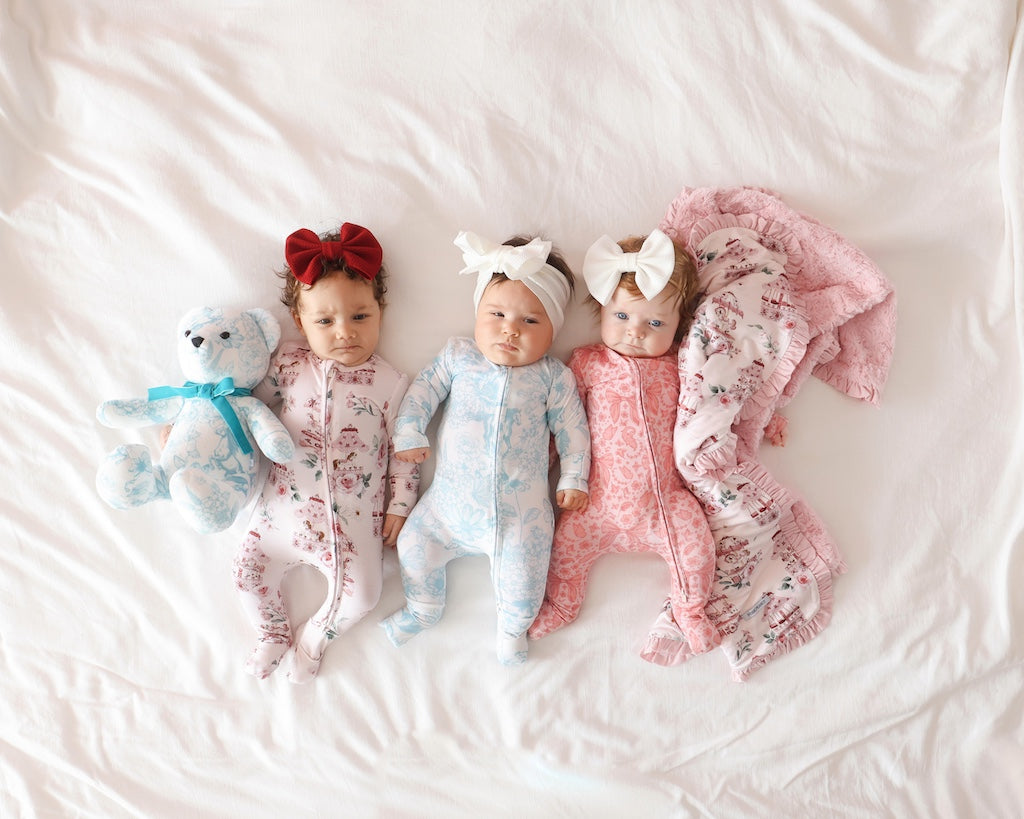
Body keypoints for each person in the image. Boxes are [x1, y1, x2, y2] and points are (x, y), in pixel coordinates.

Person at [379, 231, 590, 665]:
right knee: (414, 544)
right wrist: (410, 433)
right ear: (477, 314)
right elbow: (422, 393)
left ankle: (512, 631)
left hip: (521, 515)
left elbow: (573, 428)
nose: (510, 329)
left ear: (553, 332)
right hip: (446, 509)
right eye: (497, 314)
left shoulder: (553, 377)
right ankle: (424, 608)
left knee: (526, 576)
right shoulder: (459, 357)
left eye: (531, 321)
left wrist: (574, 475)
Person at [233, 222, 419, 683]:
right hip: (277, 518)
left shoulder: (392, 383)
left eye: (360, 317)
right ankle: (272, 632)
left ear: (381, 311)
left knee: (365, 596)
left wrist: (400, 504)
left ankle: (314, 639)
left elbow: (407, 451)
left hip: (353, 532)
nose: (344, 333)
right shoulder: (288, 364)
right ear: (300, 323)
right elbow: (246, 408)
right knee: (245, 572)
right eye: (325, 321)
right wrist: (200, 433)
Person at [527, 230, 720, 656]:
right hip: (594, 504)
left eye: (655, 324)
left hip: (665, 505)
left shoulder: (681, 368)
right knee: (563, 554)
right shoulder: (586, 363)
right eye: (621, 317)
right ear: (601, 309)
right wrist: (539, 466)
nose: (635, 333)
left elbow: (717, 407)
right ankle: (561, 604)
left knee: (698, 549)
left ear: (679, 326)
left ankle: (690, 609)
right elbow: (561, 420)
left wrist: (765, 421)